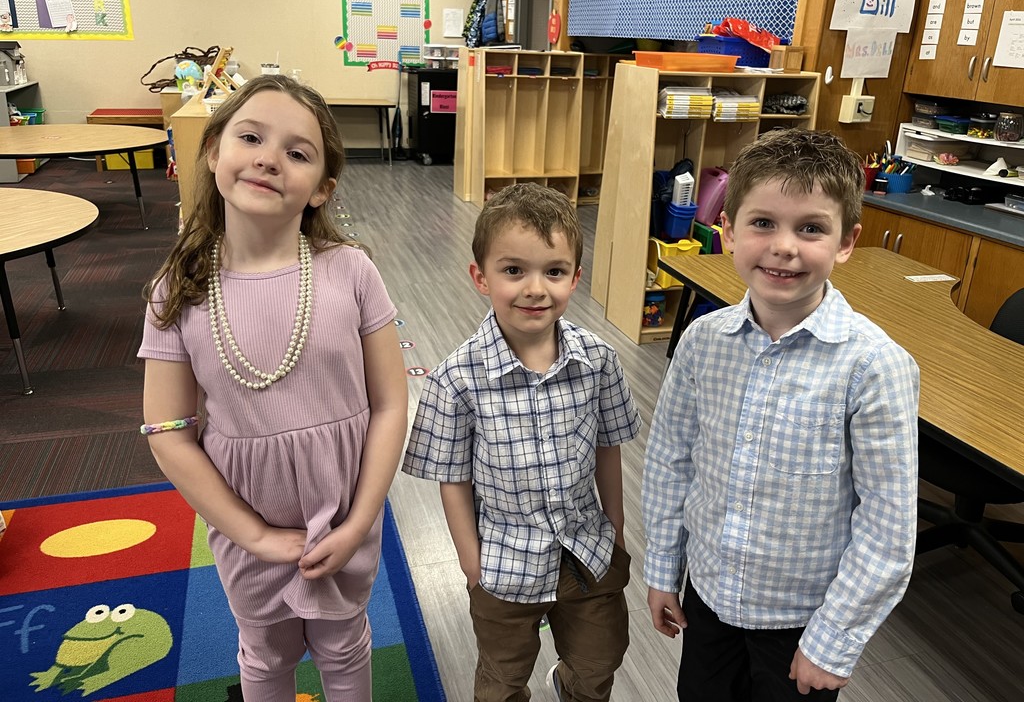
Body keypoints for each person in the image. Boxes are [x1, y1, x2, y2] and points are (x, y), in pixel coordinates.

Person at [138, 75, 407, 702]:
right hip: (245, 523)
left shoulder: (351, 271)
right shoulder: (178, 287)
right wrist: (253, 534)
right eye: (251, 137)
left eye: (297, 152)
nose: (268, 159)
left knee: (345, 645)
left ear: (322, 188)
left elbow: (392, 404)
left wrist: (359, 521)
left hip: (344, 513)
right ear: (213, 150)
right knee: (264, 652)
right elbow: (168, 431)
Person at [642, 129, 920, 701]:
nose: (784, 246)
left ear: (846, 242)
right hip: (709, 598)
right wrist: (663, 568)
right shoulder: (702, 341)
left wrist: (833, 640)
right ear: (728, 231)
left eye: (811, 228)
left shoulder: (874, 366)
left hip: (801, 622)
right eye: (763, 223)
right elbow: (671, 461)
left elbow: (887, 525)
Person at [403, 183, 641, 702]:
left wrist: (617, 531)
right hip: (504, 563)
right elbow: (452, 479)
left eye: (554, 271)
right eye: (514, 270)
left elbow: (608, 450)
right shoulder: (456, 378)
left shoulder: (598, 361)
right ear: (481, 277)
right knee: (502, 677)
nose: (536, 289)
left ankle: (570, 684)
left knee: (600, 660)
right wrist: (472, 564)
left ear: (574, 277)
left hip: (588, 552)